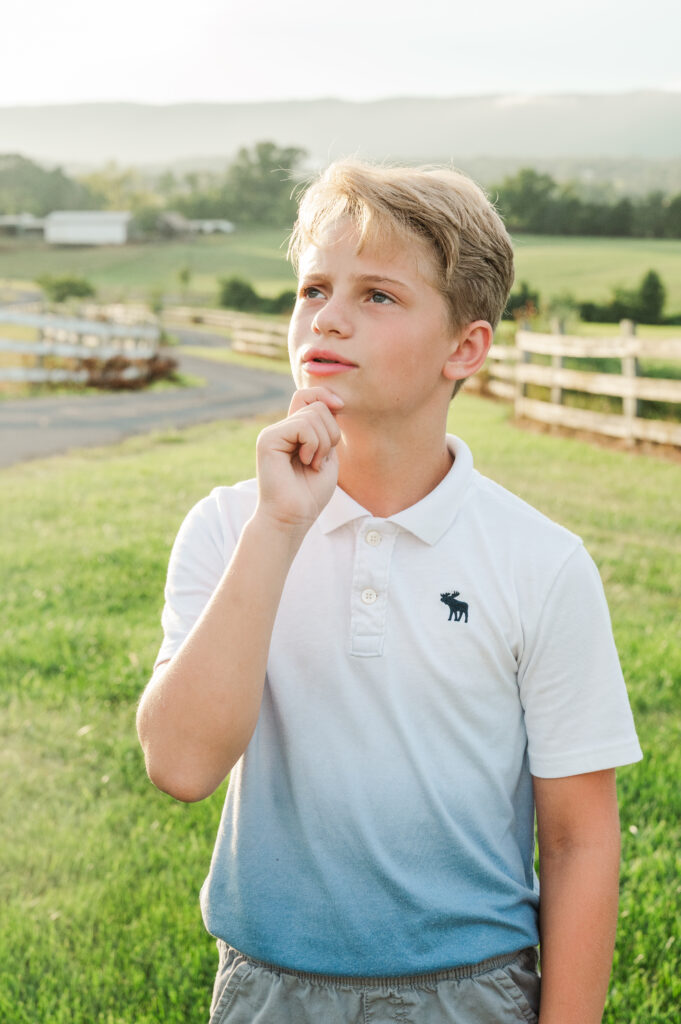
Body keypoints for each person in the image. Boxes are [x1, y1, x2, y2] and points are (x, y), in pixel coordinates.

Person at [136, 160, 642, 1024]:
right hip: (268, 987)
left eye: (376, 295)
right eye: (313, 288)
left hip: (473, 989)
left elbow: (578, 840)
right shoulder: (228, 527)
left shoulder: (541, 562)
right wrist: (278, 527)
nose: (327, 317)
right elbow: (180, 767)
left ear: (464, 348)